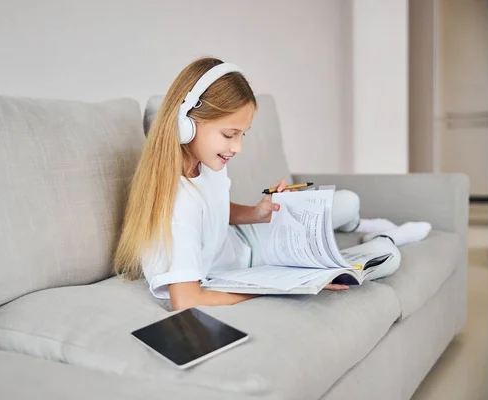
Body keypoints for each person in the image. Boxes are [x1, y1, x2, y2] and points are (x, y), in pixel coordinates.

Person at [114, 57, 431, 311]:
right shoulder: (176, 205)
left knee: (346, 202)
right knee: (389, 257)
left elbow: (214, 211)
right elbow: (187, 301)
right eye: (229, 134)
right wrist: (287, 286)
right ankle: (385, 239)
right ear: (185, 125)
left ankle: (367, 227)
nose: (237, 148)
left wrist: (259, 212)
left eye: (242, 135)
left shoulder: (203, 161)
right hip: (249, 267)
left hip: (246, 238)